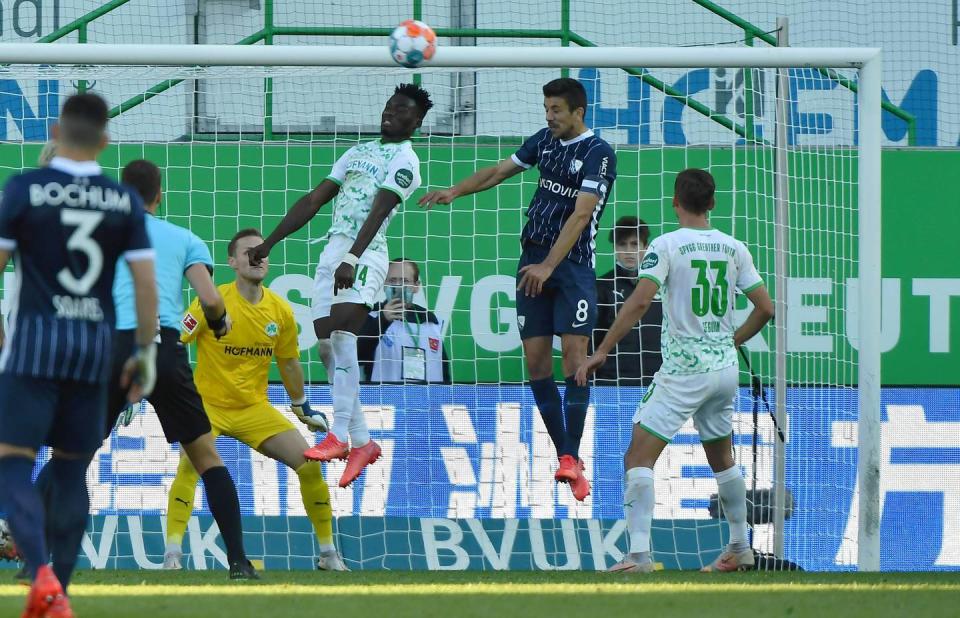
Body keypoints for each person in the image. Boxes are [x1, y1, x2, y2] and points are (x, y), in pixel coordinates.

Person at [419, 77, 616, 502]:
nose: (549, 117)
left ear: (578, 112)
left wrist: (550, 265)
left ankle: (571, 455)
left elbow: (582, 215)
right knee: (536, 362)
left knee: (575, 360)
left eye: (556, 110)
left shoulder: (598, 153)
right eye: (546, 109)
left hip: (573, 267)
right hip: (533, 261)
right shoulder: (544, 141)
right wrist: (456, 190)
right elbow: (499, 170)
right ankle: (567, 457)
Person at [0, 93, 158, 617]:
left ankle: (40, 573)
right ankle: (59, 595)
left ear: (55, 131)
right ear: (106, 142)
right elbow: (143, 283)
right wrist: (143, 354)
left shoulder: (24, 189)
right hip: (93, 354)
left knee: (13, 465)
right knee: (71, 471)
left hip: (33, 349)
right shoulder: (123, 201)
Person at [576, 168, 775, 573]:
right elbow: (767, 309)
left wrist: (602, 349)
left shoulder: (666, 246)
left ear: (675, 202)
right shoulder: (735, 248)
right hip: (723, 371)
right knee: (723, 460)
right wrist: (731, 341)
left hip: (684, 370)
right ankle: (739, 546)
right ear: (712, 204)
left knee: (637, 456)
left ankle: (639, 556)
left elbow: (636, 302)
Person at [74, 158, 257, 580]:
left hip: (111, 347)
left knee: (74, 456)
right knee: (207, 457)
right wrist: (218, 322)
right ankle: (239, 563)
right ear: (160, 195)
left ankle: (33, 552)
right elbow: (210, 299)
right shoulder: (185, 238)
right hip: (163, 350)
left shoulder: (97, 234)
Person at [247, 83, 433, 488]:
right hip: (332, 250)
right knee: (328, 347)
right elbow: (314, 199)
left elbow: (380, 208)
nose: (390, 113)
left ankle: (339, 435)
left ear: (415, 122)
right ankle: (363, 442)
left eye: (401, 110)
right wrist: (269, 242)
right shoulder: (356, 151)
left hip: (365, 253)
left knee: (346, 336)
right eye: (389, 104)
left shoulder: (406, 160)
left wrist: (352, 258)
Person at [167, 228, 347, 571]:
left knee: (309, 465)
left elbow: (289, 362)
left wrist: (301, 405)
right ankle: (173, 556)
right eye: (248, 251)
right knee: (189, 466)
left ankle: (328, 555)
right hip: (209, 407)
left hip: (253, 408)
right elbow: (177, 338)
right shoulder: (212, 300)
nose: (258, 255)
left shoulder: (279, 311)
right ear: (232, 262)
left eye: (262, 251)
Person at [357, 257, 451, 383]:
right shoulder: (371, 315)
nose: (398, 286)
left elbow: (443, 371)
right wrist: (383, 320)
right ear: (384, 284)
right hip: (384, 399)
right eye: (392, 280)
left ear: (416, 286)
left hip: (428, 400)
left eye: (404, 281)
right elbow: (356, 356)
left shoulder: (430, 322)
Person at [594, 216, 662, 386]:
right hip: (612, 382)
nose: (628, 251)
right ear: (615, 248)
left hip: (659, 384)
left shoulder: (661, 286)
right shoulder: (601, 287)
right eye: (622, 245)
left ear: (646, 247)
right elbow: (591, 341)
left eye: (634, 244)